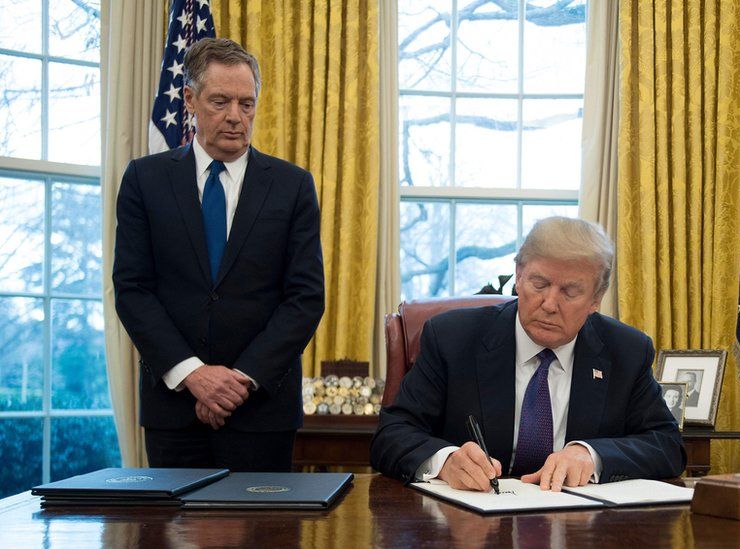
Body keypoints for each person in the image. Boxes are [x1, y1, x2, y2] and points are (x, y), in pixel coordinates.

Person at [113, 38, 325, 471]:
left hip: (262, 411)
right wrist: (193, 375)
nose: (235, 117)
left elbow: (305, 298)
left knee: (263, 538)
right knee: (171, 538)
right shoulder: (144, 180)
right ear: (189, 99)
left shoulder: (293, 186)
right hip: (174, 411)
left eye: (247, 104)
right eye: (220, 101)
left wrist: (239, 381)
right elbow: (133, 290)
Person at [371, 217, 686, 492]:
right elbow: (392, 434)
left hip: (580, 527)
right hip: (470, 526)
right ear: (518, 276)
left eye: (570, 292)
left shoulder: (626, 352)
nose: (549, 304)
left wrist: (591, 455)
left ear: (596, 298)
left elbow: (667, 445)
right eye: (539, 283)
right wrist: (446, 461)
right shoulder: (453, 338)